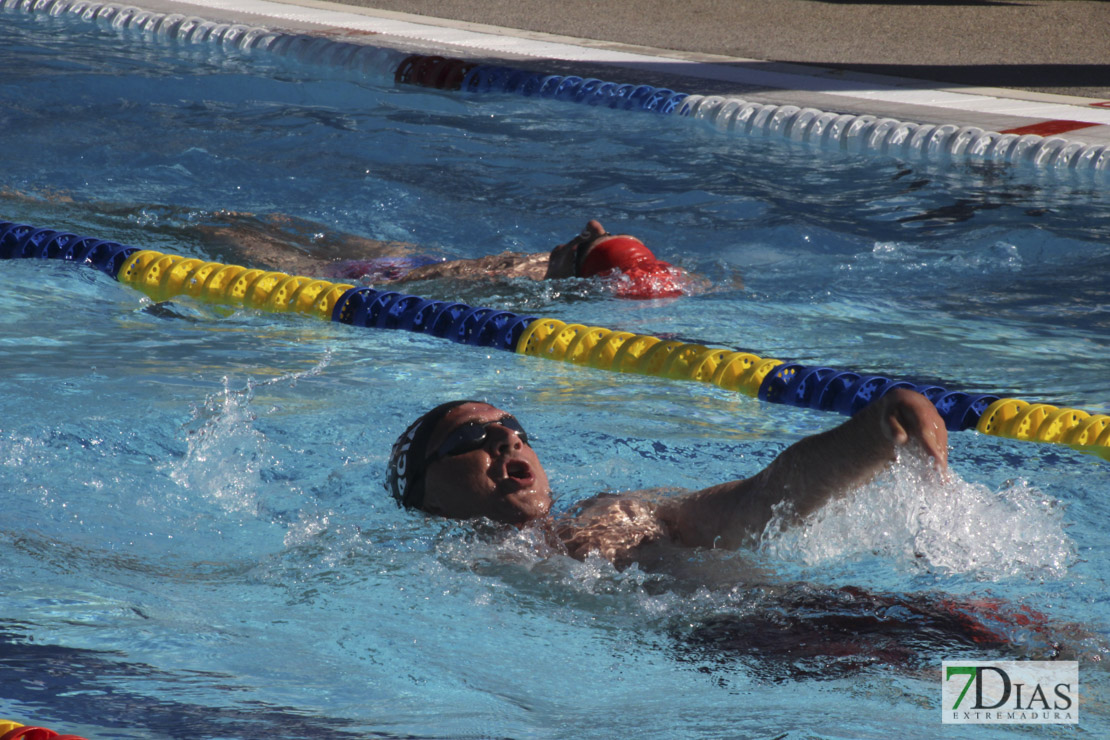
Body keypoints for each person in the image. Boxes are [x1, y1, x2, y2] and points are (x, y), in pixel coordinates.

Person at [386, 388, 947, 565]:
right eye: (471, 439)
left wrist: (874, 432)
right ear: (428, 499)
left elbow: (759, 501)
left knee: (1024, 695)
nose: (507, 438)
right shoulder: (420, 569)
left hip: (822, 641)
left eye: (512, 427)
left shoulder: (607, 521)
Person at [203, 213, 694, 299]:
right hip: (402, 264)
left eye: (584, 243)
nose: (588, 228)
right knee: (244, 227)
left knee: (227, 231)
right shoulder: (540, 280)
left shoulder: (533, 283)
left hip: (401, 266)